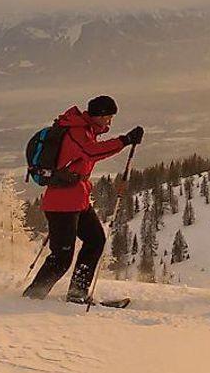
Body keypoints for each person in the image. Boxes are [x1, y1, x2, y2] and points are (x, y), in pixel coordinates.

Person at [24, 95, 143, 304]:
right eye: (108, 117)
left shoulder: (85, 130)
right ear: (99, 115)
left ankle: (77, 293)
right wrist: (124, 140)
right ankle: (32, 297)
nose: (110, 121)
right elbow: (91, 152)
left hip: (77, 200)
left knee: (95, 240)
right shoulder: (76, 131)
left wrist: (124, 140)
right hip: (62, 203)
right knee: (62, 257)